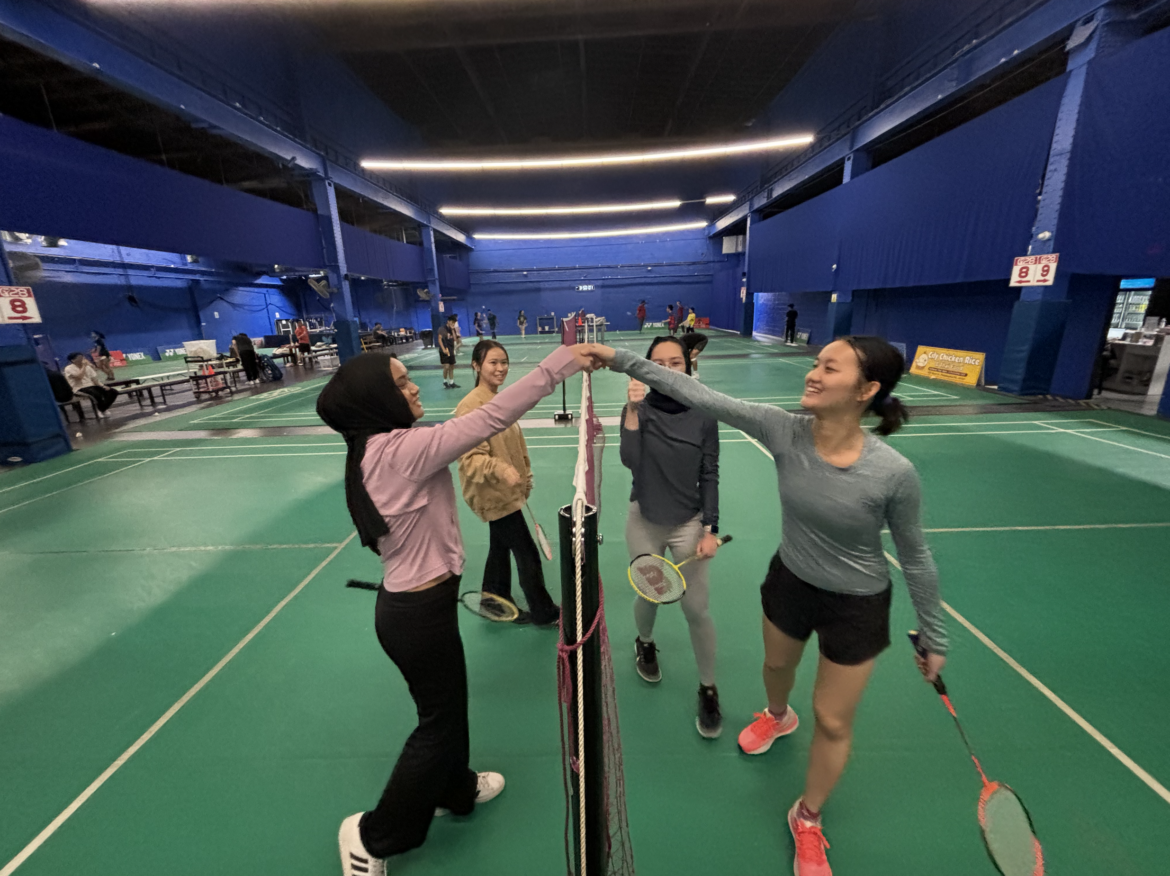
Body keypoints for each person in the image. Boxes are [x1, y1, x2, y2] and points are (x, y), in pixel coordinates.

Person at [585, 337, 947, 876]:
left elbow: (916, 558)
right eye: (816, 362)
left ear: (867, 390)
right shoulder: (784, 429)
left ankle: (808, 816)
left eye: (831, 367)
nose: (814, 373)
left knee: (831, 719)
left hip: (858, 602)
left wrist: (934, 635)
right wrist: (617, 359)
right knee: (776, 668)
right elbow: (696, 393)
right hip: (791, 582)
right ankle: (778, 715)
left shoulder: (893, 473)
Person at [316, 343, 594, 876]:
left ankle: (456, 790)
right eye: (399, 383)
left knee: (449, 708)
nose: (414, 386)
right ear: (377, 399)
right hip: (415, 615)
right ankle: (372, 837)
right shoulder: (400, 449)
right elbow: (492, 415)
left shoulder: (379, 446)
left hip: (426, 607)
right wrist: (565, 360)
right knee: (436, 724)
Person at [621, 337, 722, 737]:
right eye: (657, 363)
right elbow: (629, 460)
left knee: (695, 609)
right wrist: (630, 409)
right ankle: (644, 641)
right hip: (644, 518)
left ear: (688, 365)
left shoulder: (705, 412)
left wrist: (710, 527)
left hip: (688, 523)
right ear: (646, 369)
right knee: (651, 592)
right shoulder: (639, 410)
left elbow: (710, 472)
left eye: (674, 362)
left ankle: (708, 688)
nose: (666, 369)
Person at [454, 341, 559, 626]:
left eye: (504, 362)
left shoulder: (501, 400)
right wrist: (500, 469)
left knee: (499, 547)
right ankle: (543, 611)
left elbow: (514, 442)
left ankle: (493, 598)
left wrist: (525, 475)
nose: (500, 368)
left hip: (507, 491)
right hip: (493, 494)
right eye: (493, 363)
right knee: (526, 553)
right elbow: (470, 459)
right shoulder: (470, 407)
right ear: (476, 366)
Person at [63, 352, 118, 417]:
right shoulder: (68, 368)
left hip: (91, 386)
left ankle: (102, 408)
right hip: (79, 388)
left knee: (113, 392)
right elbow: (79, 376)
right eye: (79, 358)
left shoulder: (88, 367)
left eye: (82, 357)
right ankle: (100, 409)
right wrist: (83, 366)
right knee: (96, 394)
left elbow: (94, 379)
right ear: (73, 360)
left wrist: (102, 386)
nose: (82, 359)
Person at [438, 313, 460, 389]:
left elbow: (454, 339)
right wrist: (443, 349)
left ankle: (451, 382)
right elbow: (440, 339)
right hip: (445, 350)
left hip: (451, 349)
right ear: (448, 321)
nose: (453, 323)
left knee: (452, 366)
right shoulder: (442, 329)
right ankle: (445, 382)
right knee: (446, 366)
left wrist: (453, 329)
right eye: (452, 322)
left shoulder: (451, 329)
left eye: (454, 322)